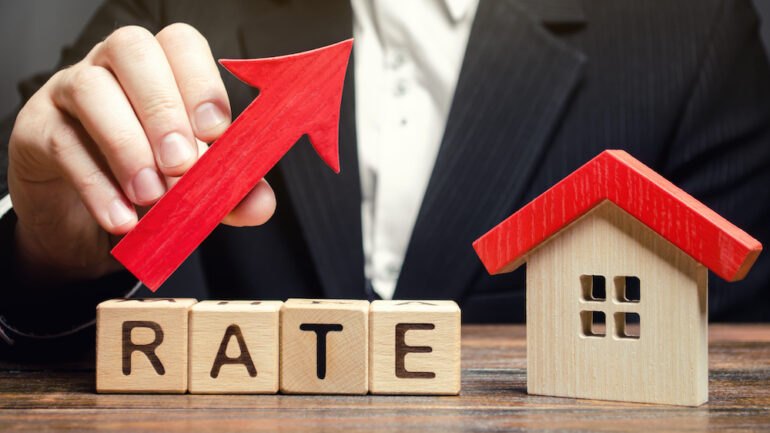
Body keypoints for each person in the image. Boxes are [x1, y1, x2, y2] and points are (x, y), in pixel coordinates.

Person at [1, 0, 769, 357]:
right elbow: (48, 272)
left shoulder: (688, 31)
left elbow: (731, 358)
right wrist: (47, 255)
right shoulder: (174, 7)